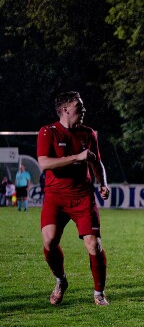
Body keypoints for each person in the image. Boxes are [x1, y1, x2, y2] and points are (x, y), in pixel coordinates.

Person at [36, 91, 112, 306]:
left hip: (82, 197)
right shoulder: (47, 132)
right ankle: (61, 281)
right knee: (49, 241)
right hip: (55, 198)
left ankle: (99, 293)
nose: (84, 109)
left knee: (93, 244)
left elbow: (97, 162)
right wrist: (76, 157)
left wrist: (103, 183)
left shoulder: (88, 134)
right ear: (65, 109)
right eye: (79, 106)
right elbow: (44, 163)